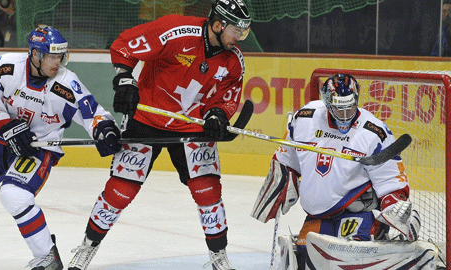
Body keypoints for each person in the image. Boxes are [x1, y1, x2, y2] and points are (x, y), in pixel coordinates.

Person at [67, 0, 251, 269]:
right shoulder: (175, 30)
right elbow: (124, 44)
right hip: (147, 117)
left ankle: (218, 258)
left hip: (192, 126)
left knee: (208, 192)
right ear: (218, 24)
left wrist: (218, 115)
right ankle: (86, 249)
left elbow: (226, 98)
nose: (238, 38)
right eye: (236, 31)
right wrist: (125, 79)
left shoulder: (234, 60)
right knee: (120, 190)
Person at [0, 26, 121, 269]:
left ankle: (46, 258)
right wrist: (9, 127)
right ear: (35, 55)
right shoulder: (6, 67)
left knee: (15, 195)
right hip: (0, 140)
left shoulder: (66, 81)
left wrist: (104, 129)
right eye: (52, 56)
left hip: (39, 146)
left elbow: (92, 112)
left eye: (61, 56)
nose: (58, 62)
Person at [251, 74, 423, 269]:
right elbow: (287, 157)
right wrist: (283, 177)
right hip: (318, 216)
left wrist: (395, 204)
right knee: (305, 261)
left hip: (358, 213)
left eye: (349, 107)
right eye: (338, 109)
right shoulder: (305, 118)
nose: (344, 115)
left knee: (350, 260)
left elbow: (390, 177)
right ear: (327, 103)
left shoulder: (373, 132)